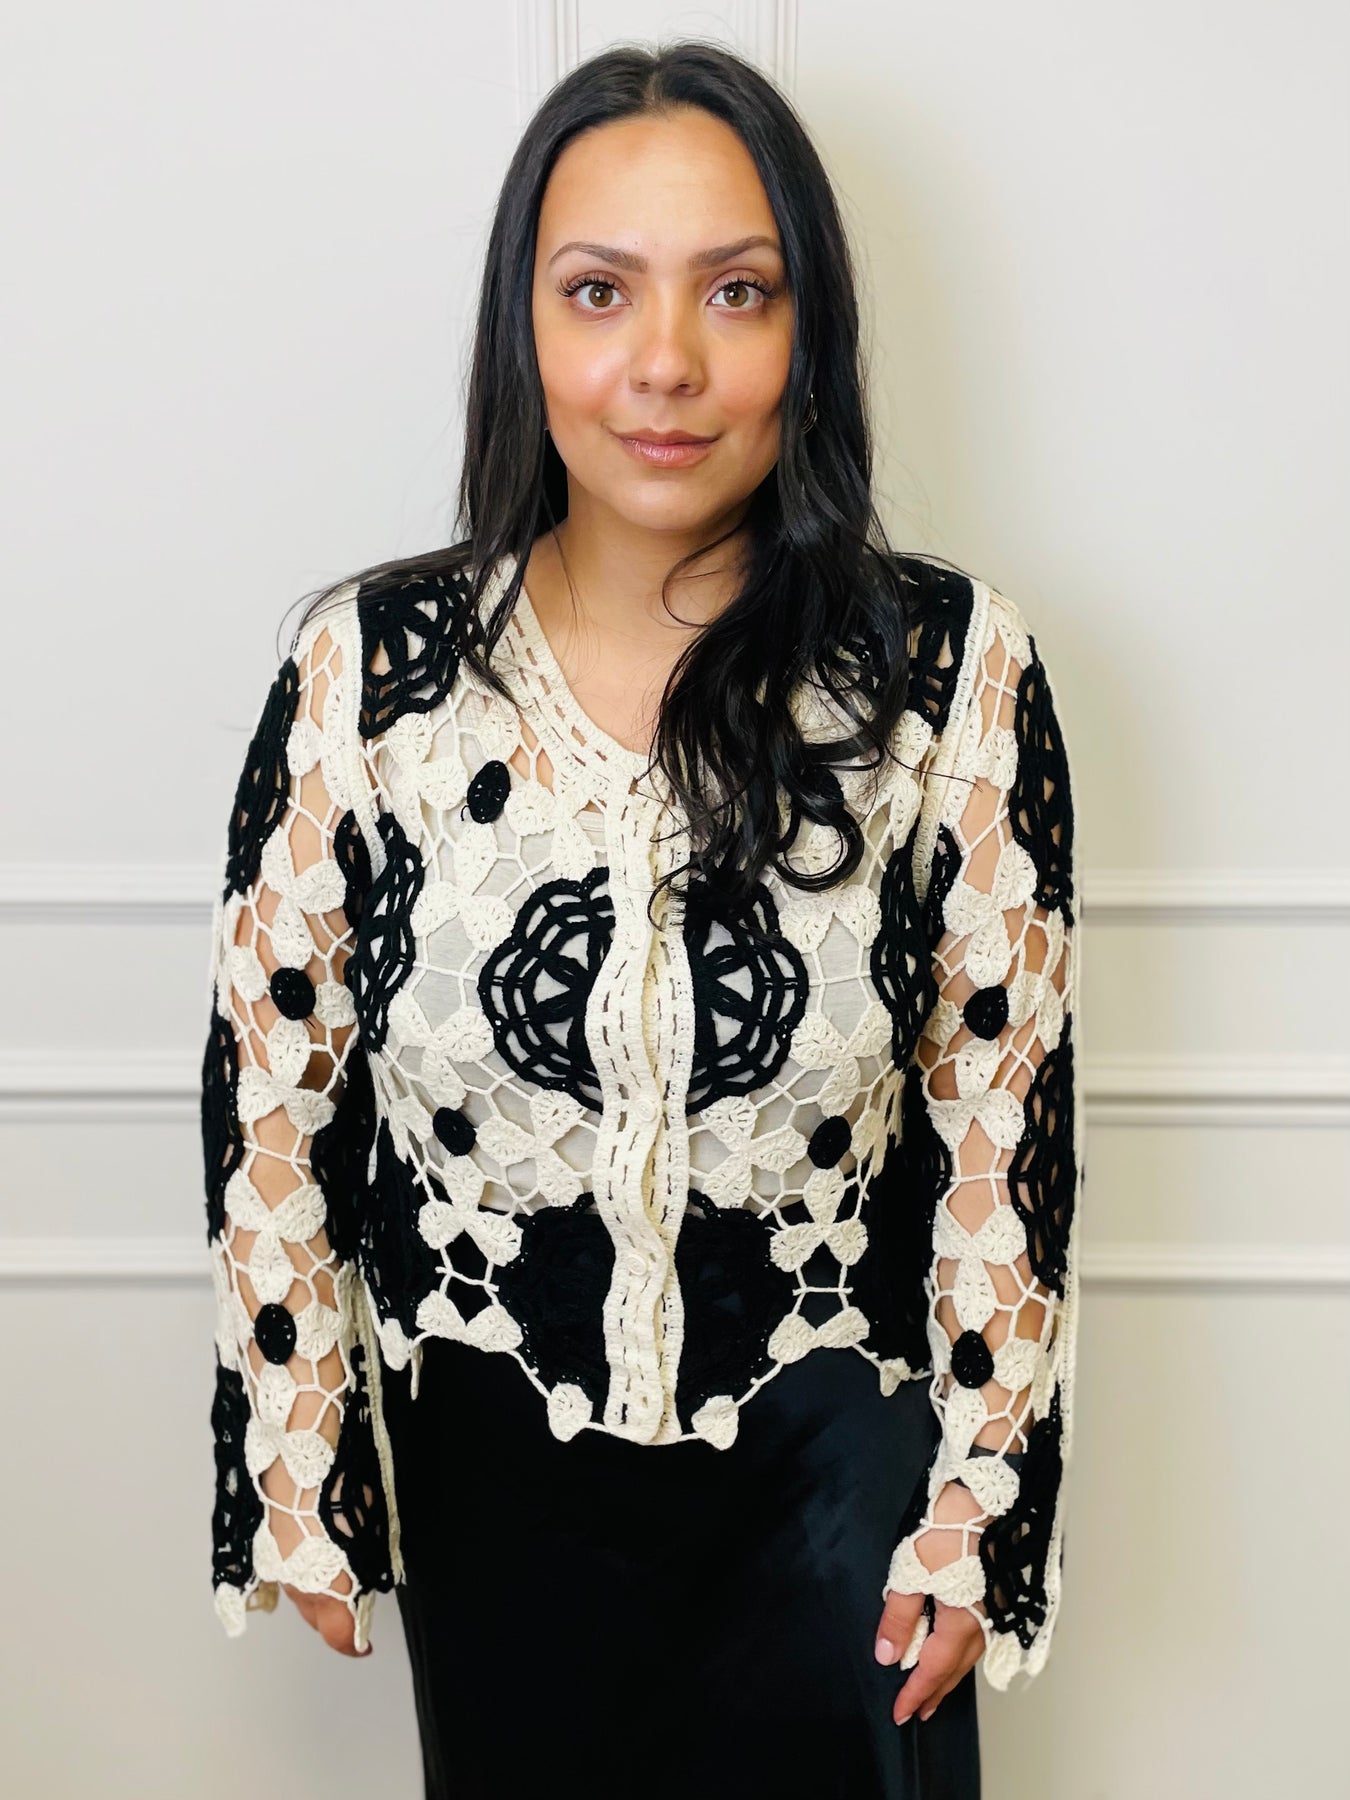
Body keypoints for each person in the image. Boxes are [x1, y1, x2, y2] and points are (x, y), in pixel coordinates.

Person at [200, 39, 1083, 1800]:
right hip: (495, 1506)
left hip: (848, 1518)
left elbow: (1006, 1125)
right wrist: (302, 1463)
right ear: (521, 329)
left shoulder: (946, 675)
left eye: (735, 291)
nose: (664, 362)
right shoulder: (370, 681)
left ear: (807, 332)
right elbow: (274, 1102)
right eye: (598, 291)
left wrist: (980, 1502)